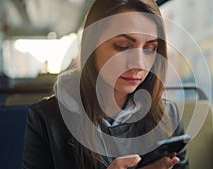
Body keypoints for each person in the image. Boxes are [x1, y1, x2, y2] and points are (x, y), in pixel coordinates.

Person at [23, 0, 188, 169]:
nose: (139, 63)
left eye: (149, 49)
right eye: (123, 46)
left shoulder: (168, 115)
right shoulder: (44, 120)